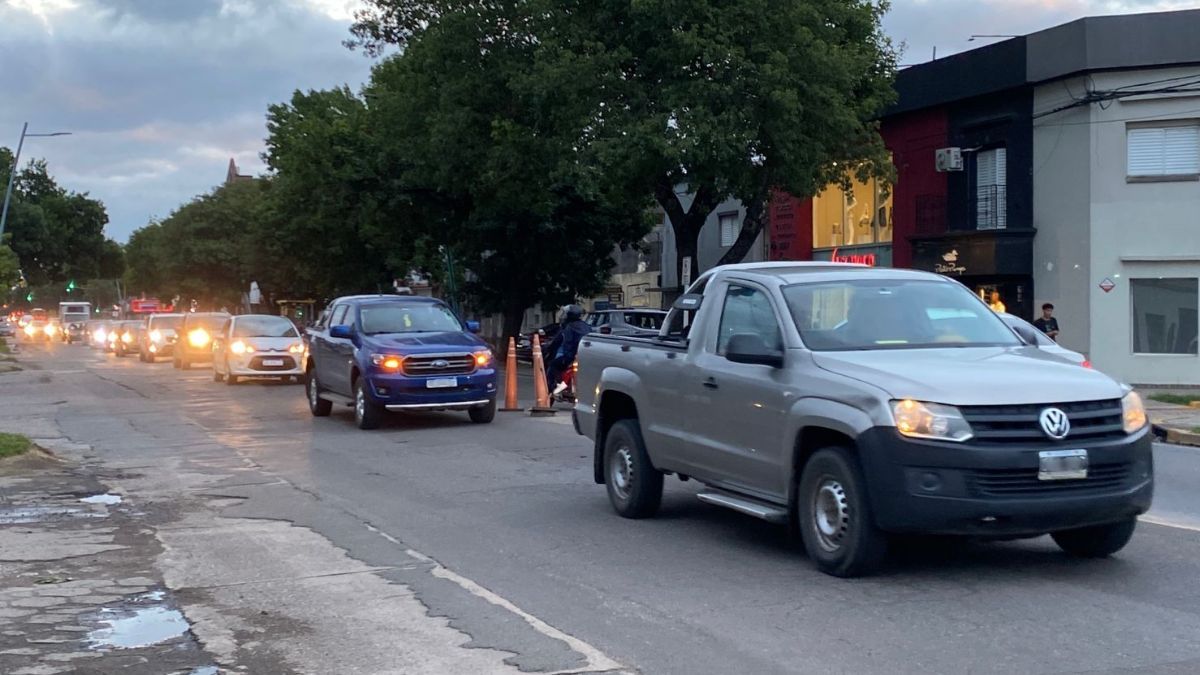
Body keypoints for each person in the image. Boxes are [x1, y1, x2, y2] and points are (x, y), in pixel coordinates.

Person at [544, 305, 591, 392]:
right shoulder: (587, 326)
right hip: (585, 357)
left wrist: (547, 348)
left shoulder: (568, 327)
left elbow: (557, 341)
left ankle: (550, 389)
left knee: (553, 365)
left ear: (569, 315)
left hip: (570, 357)